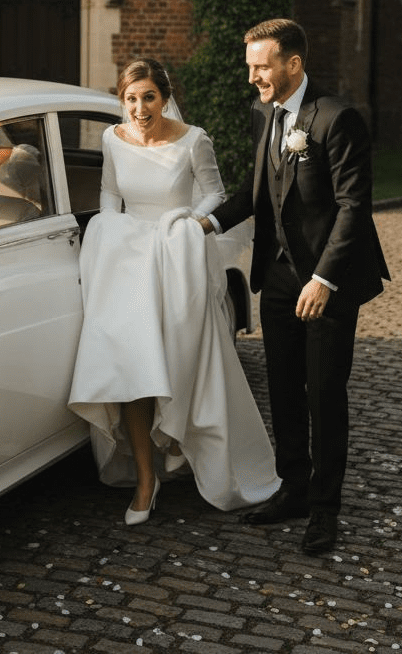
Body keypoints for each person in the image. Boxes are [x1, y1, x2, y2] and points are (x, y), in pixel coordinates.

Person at [199, 19, 389, 555]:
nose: (253, 78)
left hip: (328, 282)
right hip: (278, 278)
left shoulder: (336, 118)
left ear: (292, 64)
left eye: (261, 67)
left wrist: (325, 278)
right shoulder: (264, 115)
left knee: (324, 394)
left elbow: (355, 208)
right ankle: (294, 489)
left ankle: (325, 510)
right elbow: (254, 193)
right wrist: (203, 225)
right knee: (283, 389)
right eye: (251, 67)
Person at [69, 58, 281, 525]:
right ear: (122, 101)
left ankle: (185, 447)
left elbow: (215, 194)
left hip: (176, 259)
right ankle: (146, 480)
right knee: (131, 370)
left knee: (182, 362)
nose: (140, 108)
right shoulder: (111, 138)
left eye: (148, 97)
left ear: (164, 97)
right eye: (131, 98)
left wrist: (189, 224)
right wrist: (111, 230)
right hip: (126, 266)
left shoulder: (193, 139)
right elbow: (109, 195)